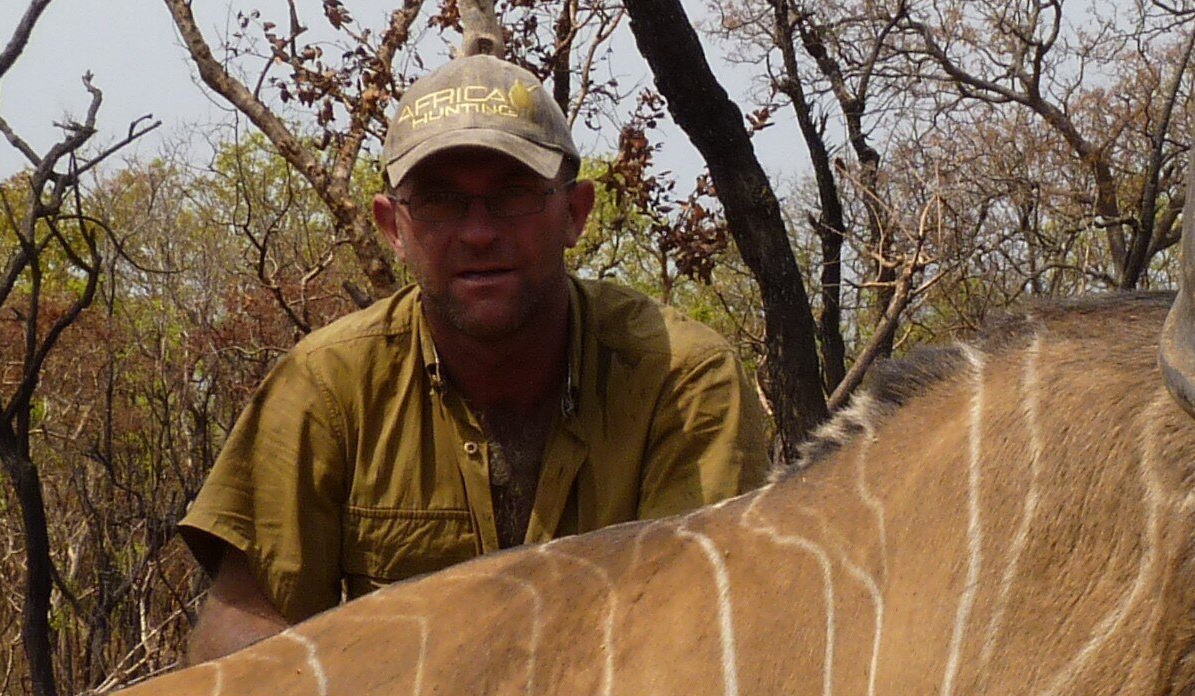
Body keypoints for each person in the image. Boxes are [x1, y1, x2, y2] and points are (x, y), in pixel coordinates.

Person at [181, 53, 773, 661]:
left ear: (575, 214)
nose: (479, 233)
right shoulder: (326, 386)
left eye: (514, 194)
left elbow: (697, 639)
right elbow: (242, 633)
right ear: (393, 227)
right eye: (439, 201)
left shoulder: (681, 378)